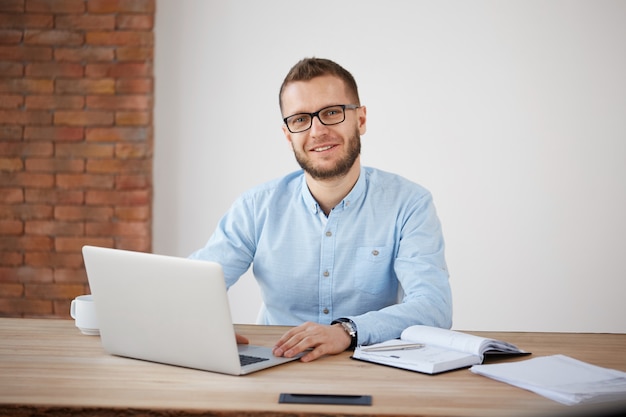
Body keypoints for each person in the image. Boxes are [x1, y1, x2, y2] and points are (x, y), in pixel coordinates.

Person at [189, 57, 452, 362]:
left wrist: (347, 331)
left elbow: (434, 306)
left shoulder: (409, 203)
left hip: (372, 367)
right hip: (274, 365)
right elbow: (193, 287)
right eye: (300, 119)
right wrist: (198, 326)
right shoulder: (255, 207)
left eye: (331, 112)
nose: (317, 131)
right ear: (289, 135)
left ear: (361, 120)